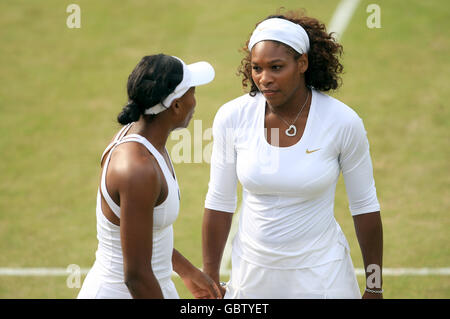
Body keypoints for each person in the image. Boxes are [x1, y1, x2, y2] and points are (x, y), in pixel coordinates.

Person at [202, 11, 383, 299]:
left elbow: (365, 206)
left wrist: (374, 285)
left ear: (302, 63)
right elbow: (219, 200)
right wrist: (209, 276)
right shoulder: (232, 116)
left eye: (276, 67)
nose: (265, 79)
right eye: (257, 68)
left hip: (323, 275)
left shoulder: (342, 122)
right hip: (251, 275)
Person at [78, 54, 221, 299]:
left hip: (151, 285)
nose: (195, 101)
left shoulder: (143, 142)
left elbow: (143, 234)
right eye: (192, 92)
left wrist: (187, 271)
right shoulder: (138, 170)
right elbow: (136, 277)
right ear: (176, 106)